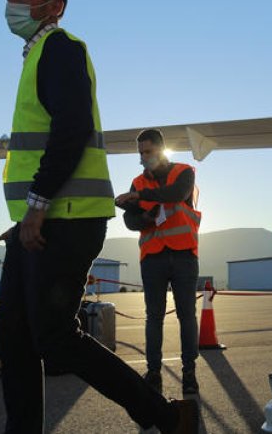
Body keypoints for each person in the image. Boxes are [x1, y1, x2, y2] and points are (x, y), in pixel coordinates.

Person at [0, 0, 198, 434]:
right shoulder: (36, 55)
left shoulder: (61, 49)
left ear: (54, 6)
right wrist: (24, 218)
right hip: (39, 221)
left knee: (56, 338)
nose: (12, 5)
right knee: (15, 338)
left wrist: (39, 206)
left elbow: (71, 130)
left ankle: (166, 417)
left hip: (64, 218)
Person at [115, 129, 202, 396]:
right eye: (140, 153)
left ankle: (189, 373)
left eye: (148, 151)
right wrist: (145, 218)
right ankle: (154, 372)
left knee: (186, 315)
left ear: (161, 150)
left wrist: (139, 200)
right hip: (152, 256)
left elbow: (176, 194)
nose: (143, 158)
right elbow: (129, 221)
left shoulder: (184, 172)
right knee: (154, 317)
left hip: (184, 254)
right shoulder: (137, 181)